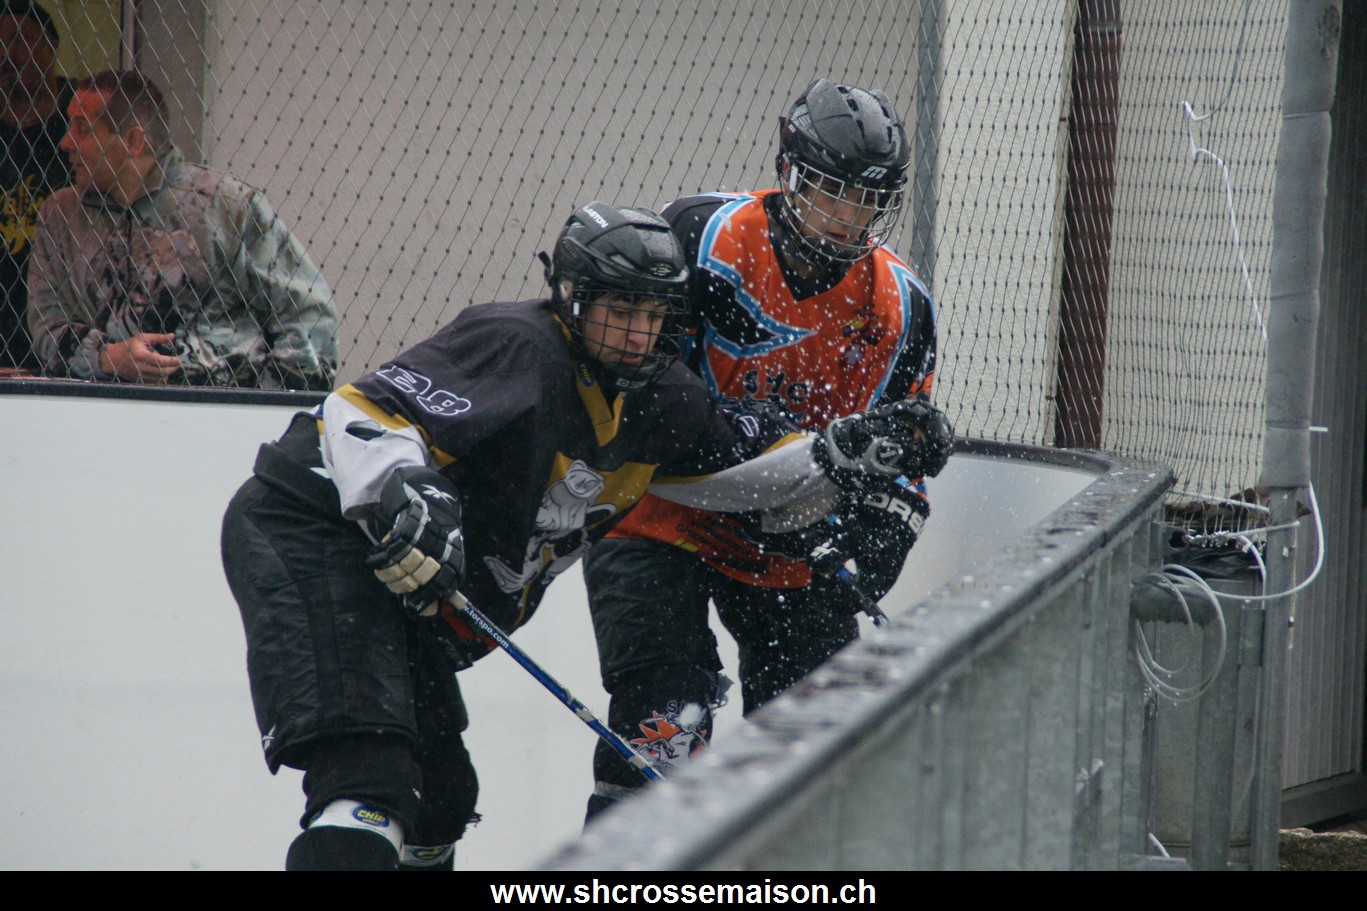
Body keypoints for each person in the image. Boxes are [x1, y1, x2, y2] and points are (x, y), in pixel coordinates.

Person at [220, 200, 951, 870]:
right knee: (368, 782)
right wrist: (406, 493)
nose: (636, 333)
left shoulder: (661, 399)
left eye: (653, 314)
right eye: (618, 310)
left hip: (400, 583)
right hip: (314, 532)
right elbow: (360, 413)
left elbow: (752, 468)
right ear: (571, 298)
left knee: (440, 797)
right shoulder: (519, 346)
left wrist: (850, 450)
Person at [582, 79, 949, 818]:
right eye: (830, 191)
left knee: (810, 767)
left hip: (789, 548)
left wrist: (866, 551)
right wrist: (772, 473)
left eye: (866, 200)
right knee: (662, 731)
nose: (846, 217)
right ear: (788, 173)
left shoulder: (903, 307)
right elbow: (643, 408)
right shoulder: (701, 240)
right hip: (656, 519)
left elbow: (899, 481)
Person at [27, 69, 337, 388]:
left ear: (133, 141)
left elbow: (308, 314)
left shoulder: (226, 207)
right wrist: (107, 358)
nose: (65, 142)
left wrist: (265, 404)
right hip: (100, 405)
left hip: (219, 404)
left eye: (83, 129)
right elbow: (47, 324)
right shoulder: (61, 215)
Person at [0, 0, 69, 371]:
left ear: (50, 47)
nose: (7, 55)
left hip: (68, 321)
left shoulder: (81, 118)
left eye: (20, 40)